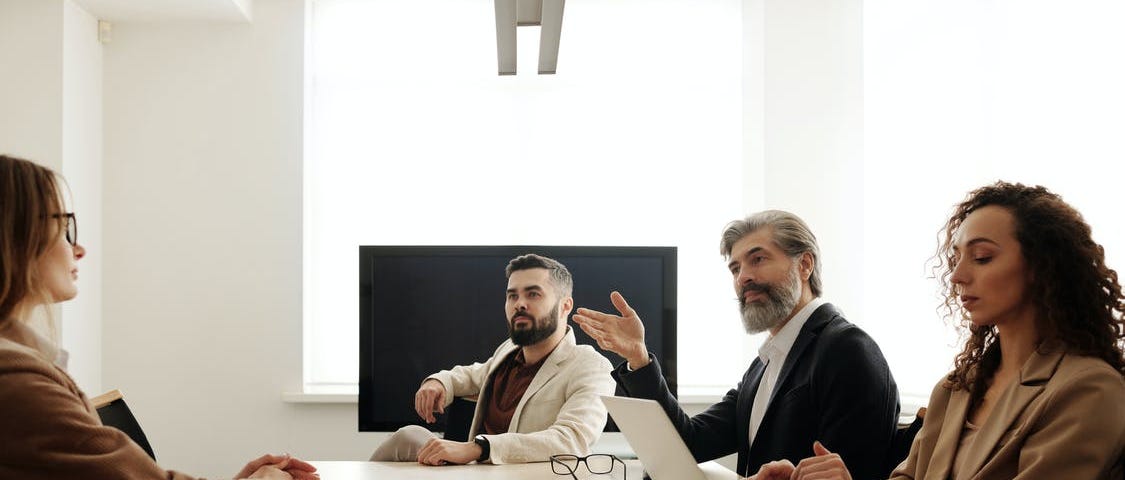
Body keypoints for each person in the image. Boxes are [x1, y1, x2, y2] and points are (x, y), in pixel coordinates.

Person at [752, 181, 1125, 480]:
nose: (958, 275)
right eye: (956, 258)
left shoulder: (1089, 390)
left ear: (1041, 267)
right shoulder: (956, 388)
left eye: (982, 257)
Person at [0, 154, 318, 479]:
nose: (78, 249)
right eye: (65, 228)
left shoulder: (22, 371)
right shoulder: (18, 384)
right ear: (15, 237)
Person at [574, 210, 901, 479]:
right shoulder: (764, 366)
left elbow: (849, 472)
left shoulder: (848, 349)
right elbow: (689, 442)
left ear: (804, 265)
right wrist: (639, 357)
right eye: (735, 267)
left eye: (757, 259)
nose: (743, 276)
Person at [369, 253, 616, 466]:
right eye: (512, 296)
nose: (519, 304)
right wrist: (439, 382)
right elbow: (472, 375)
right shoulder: (509, 350)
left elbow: (572, 440)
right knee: (408, 436)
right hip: (478, 470)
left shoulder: (591, 366)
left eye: (533, 294)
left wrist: (479, 448)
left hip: (524, 474)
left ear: (565, 306)